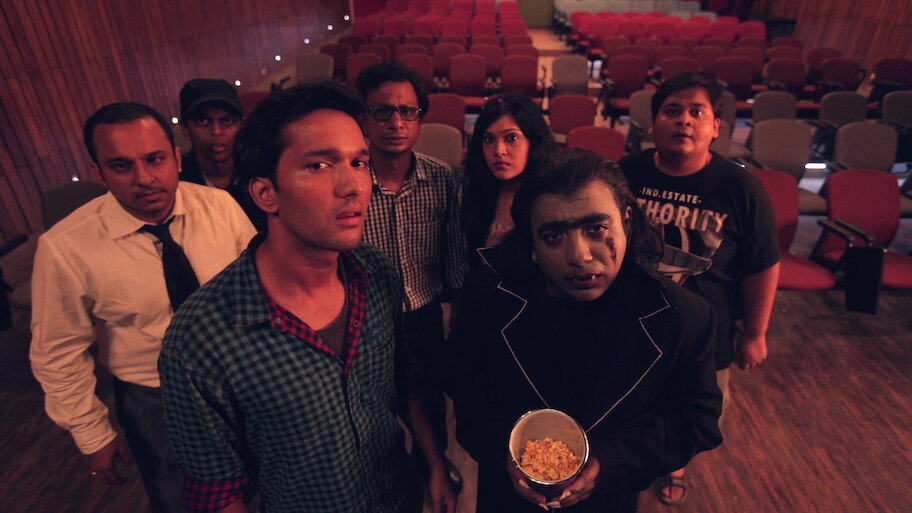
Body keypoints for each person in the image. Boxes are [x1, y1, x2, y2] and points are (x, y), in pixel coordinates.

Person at [158, 82, 457, 513]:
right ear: (266, 193)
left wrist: (434, 462)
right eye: (319, 165)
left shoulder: (376, 273)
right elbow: (217, 493)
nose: (353, 185)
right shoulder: (200, 338)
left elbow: (401, 381)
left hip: (397, 496)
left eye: (359, 162)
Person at [447, 149, 723, 512]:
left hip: (609, 499)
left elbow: (696, 420)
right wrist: (505, 451)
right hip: (507, 498)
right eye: (553, 236)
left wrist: (610, 460)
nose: (580, 256)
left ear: (626, 220)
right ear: (531, 242)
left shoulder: (681, 317)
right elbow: (466, 391)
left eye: (596, 229)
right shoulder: (487, 297)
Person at [29, 102, 256, 512]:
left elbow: (262, 291)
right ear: (99, 172)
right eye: (121, 166)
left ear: (176, 158)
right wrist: (92, 434)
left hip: (243, 376)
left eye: (155, 159)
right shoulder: (65, 247)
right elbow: (57, 352)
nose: (144, 178)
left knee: (264, 486)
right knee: (182, 501)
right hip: (156, 399)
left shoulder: (220, 206)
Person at [619, 72, 780, 505]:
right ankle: (630, 454)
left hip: (705, 331)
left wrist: (755, 333)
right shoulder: (626, 174)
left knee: (693, 407)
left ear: (715, 126)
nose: (684, 120)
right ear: (653, 124)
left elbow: (762, 265)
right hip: (633, 320)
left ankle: (674, 461)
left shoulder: (741, 188)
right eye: (672, 111)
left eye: (697, 112)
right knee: (634, 395)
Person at [354, 61, 466, 486]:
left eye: (408, 111)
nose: (396, 123)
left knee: (430, 402)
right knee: (371, 406)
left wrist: (457, 318)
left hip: (424, 315)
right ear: (364, 117)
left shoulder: (439, 178)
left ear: (420, 117)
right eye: (382, 111)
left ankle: (433, 469)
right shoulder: (351, 180)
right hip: (366, 319)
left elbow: (453, 255)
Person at [461, 92, 555, 266]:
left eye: (511, 138)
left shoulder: (552, 197)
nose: (499, 150)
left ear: (533, 142)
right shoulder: (479, 191)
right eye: (489, 139)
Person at [178, 78, 256, 221]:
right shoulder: (176, 185)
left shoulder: (260, 171)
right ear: (185, 130)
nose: (217, 131)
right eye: (203, 121)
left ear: (241, 126)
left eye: (227, 121)